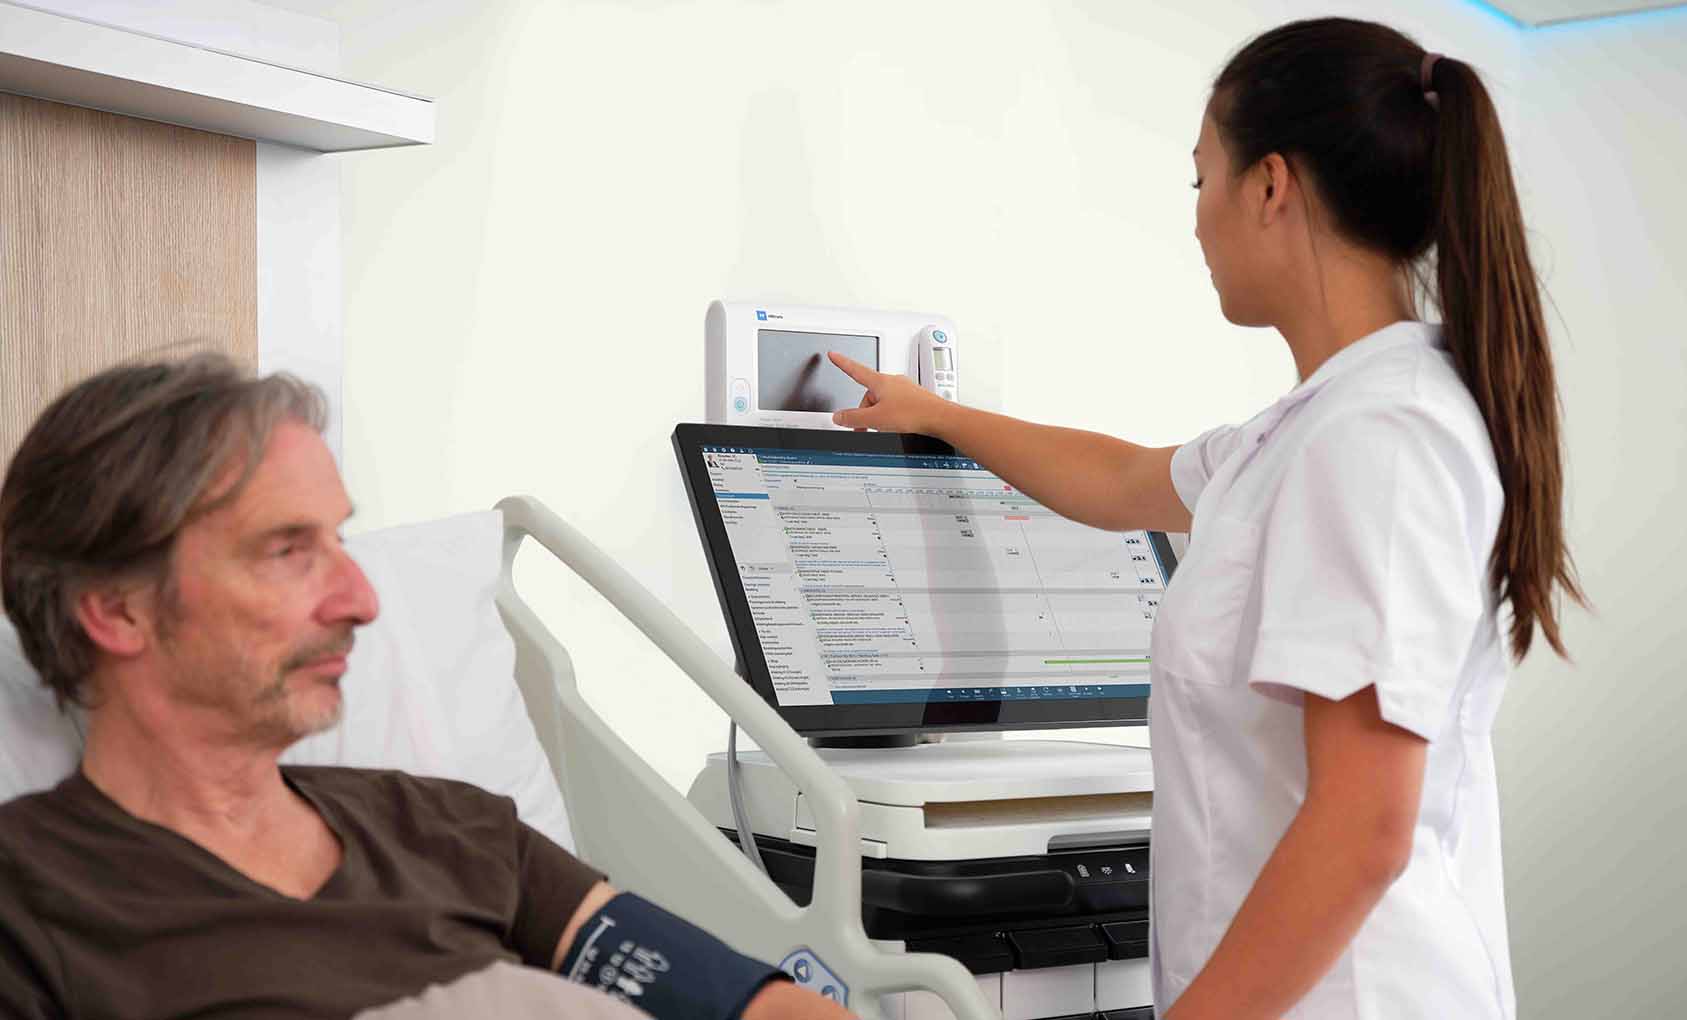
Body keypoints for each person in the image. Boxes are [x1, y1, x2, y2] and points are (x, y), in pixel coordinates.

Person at [827, 17, 1585, 1020]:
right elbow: (1122, 478)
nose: (1195, 222)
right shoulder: (1312, 427)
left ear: (1270, 186)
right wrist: (936, 414)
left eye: (1200, 180)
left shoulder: (1378, 438)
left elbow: (1362, 827)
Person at [0, 355, 854, 1020]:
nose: (361, 600)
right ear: (117, 609)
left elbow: (758, 1008)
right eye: (288, 551)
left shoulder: (446, 828)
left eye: (340, 542)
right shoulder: (32, 900)